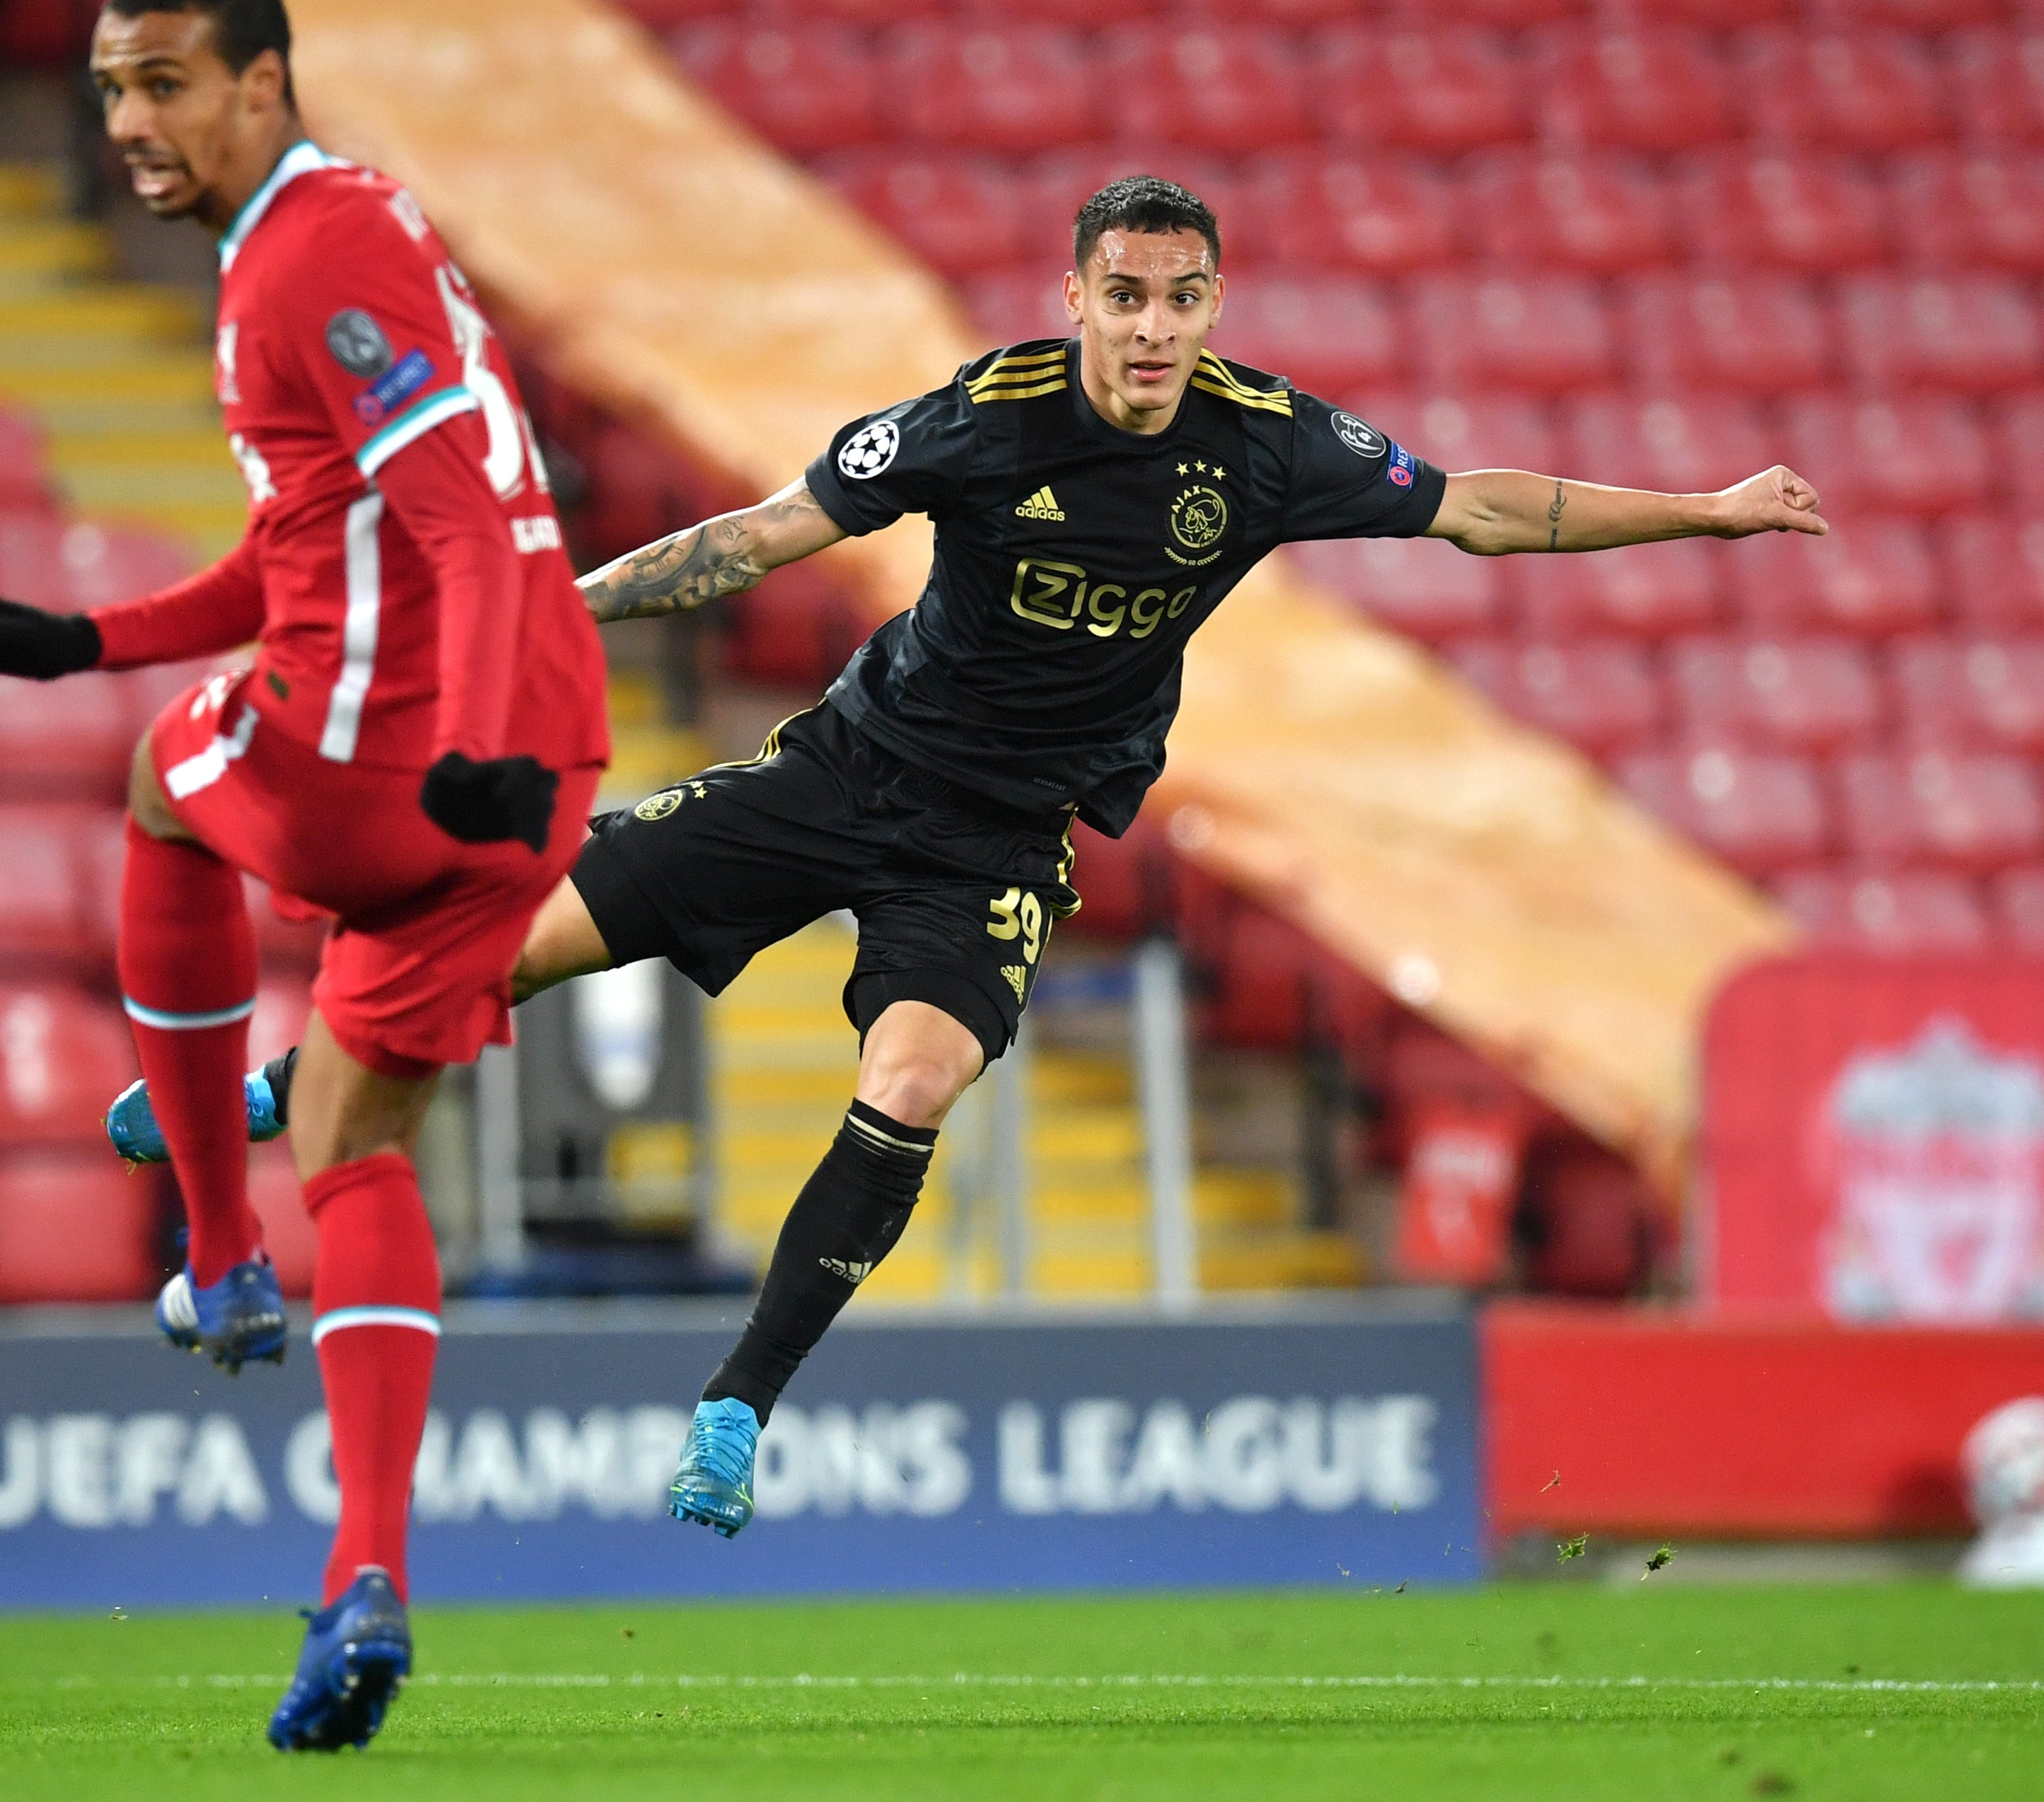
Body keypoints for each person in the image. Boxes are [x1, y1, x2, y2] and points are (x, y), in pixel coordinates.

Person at [129, 172, 1826, 1537]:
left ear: (1207, 306)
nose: (1154, 329)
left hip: (997, 839)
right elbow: (758, 534)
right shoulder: (978, 418)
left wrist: (1710, 505)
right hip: (845, 768)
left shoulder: (1262, 443)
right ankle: (267, 1084)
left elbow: (1482, 503)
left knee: (916, 1074)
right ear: (1073, 296)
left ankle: (733, 1409)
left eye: (1182, 299)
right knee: (510, 947)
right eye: (1126, 296)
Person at [0, 0, 608, 1752]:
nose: (131, 121)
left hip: (402, 751)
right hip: (525, 774)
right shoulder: (340, 229)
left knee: (157, 783)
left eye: (169, 83)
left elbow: (468, 523)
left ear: (266, 83)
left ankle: (213, 1246)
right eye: (114, 88)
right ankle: (368, 1572)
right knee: (360, 1144)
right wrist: (79, 630)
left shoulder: (307, 253)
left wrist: (473, 750)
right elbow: (317, 541)